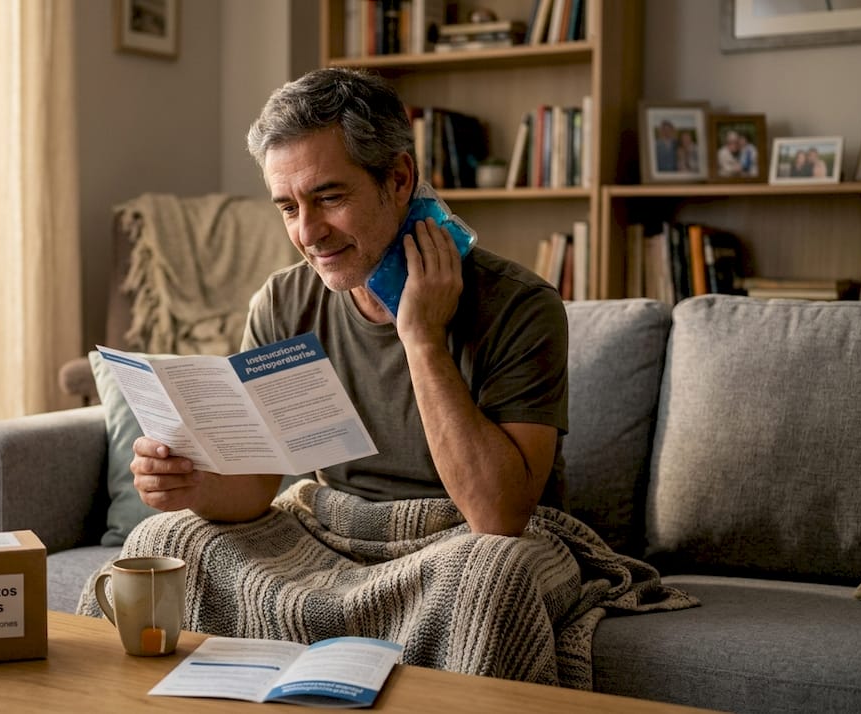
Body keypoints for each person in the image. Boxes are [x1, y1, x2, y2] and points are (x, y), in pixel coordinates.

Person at [79, 67, 693, 686]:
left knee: (491, 578)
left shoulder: (520, 305)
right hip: (335, 530)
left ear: (398, 179)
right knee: (167, 538)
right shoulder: (284, 303)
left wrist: (421, 336)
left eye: (329, 198)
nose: (307, 233)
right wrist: (191, 485)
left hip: (470, 541)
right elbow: (256, 488)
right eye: (288, 207)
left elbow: (499, 515)